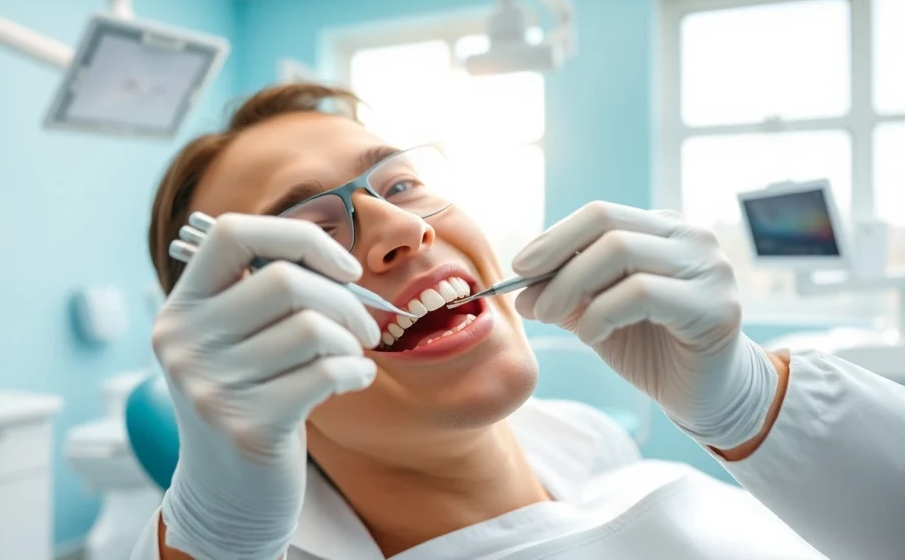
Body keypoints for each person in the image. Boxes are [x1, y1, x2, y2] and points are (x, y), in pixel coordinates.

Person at [133, 83, 905, 560]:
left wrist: (749, 397)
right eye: (306, 232)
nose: (401, 227)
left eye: (401, 181)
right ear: (231, 349)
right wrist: (217, 545)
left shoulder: (598, 452)